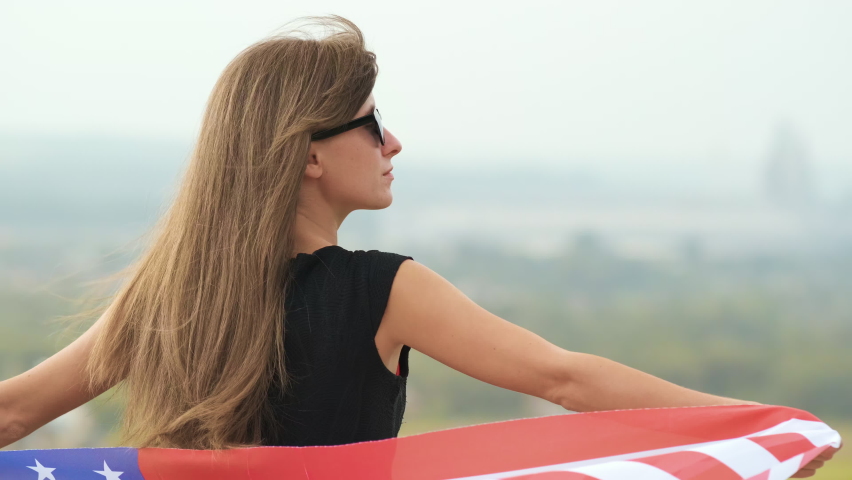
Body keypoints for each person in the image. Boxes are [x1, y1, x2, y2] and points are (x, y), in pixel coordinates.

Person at [0, 14, 839, 476]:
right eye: (371, 123)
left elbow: (13, 411)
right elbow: (565, 378)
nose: (393, 141)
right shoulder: (384, 289)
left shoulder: (169, 295)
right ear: (309, 153)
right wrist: (765, 427)